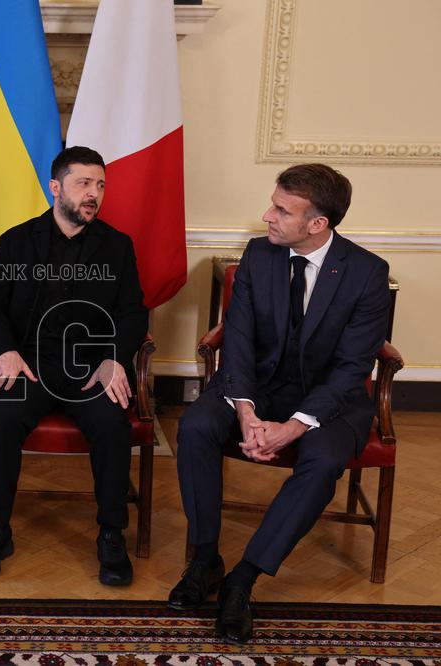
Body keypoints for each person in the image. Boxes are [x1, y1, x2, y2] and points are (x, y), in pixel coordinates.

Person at [169, 164, 391, 644]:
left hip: (329, 399)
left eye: (281, 210)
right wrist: (247, 412)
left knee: (325, 458)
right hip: (257, 386)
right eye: (272, 203)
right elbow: (241, 340)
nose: (266, 215)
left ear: (318, 224)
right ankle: (206, 560)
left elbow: (353, 367)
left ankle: (243, 580)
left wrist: (295, 425)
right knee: (196, 426)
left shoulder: (367, 274)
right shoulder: (259, 255)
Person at [0, 146, 148, 586]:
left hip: (88, 368)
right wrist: (5, 350)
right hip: (28, 365)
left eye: (100, 185)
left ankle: (111, 533)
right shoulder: (16, 240)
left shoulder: (117, 246)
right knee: (4, 422)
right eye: (84, 183)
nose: (94, 194)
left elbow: (132, 313)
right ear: (55, 187)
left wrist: (113, 359)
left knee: (111, 424)